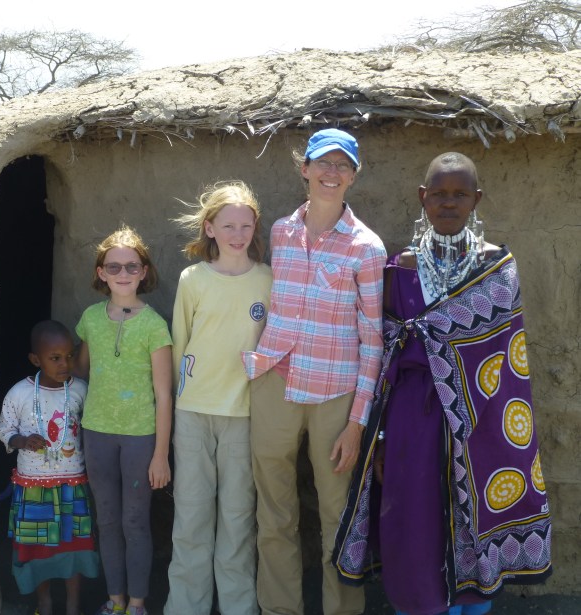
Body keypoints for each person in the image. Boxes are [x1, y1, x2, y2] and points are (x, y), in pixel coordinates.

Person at [333, 153, 552, 615]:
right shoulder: (400, 269)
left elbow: (506, 359)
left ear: (477, 199)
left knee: (472, 519)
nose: (448, 203)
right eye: (438, 194)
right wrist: (383, 435)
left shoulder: (496, 270)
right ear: (422, 198)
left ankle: (470, 606)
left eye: (459, 194)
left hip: (482, 417)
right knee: (413, 519)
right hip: (413, 417)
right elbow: (386, 353)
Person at [242, 128, 386, 615]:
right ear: (304, 169)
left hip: (335, 395)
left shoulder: (366, 248)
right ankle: (280, 609)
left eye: (342, 165)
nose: (331, 172)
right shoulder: (282, 231)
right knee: (274, 512)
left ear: (353, 176)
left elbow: (373, 339)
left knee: (337, 514)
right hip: (274, 386)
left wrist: (356, 422)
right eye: (323, 162)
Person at [164, 182, 272, 615]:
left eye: (246, 225)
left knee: (237, 520)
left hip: (244, 415)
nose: (238, 233)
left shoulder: (266, 278)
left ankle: (238, 608)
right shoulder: (193, 279)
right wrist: (177, 405)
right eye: (228, 225)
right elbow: (179, 344)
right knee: (190, 520)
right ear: (209, 228)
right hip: (193, 415)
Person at [75, 226, 173, 615]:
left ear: (144, 271)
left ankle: (137, 603)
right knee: (108, 520)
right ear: (101, 272)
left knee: (136, 521)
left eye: (132, 265)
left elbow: (164, 393)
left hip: (139, 437)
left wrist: (161, 454)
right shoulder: (90, 318)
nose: (123, 272)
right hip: (96, 432)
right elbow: (82, 368)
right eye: (113, 266)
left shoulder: (154, 325)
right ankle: (114, 599)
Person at [0, 320, 100, 615]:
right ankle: (44, 601)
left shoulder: (80, 390)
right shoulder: (19, 393)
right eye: (55, 358)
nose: (64, 363)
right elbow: (5, 430)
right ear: (35, 360)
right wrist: (22, 441)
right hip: (33, 487)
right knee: (37, 550)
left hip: (73, 485)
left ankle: (73, 605)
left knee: (74, 548)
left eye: (69, 356)